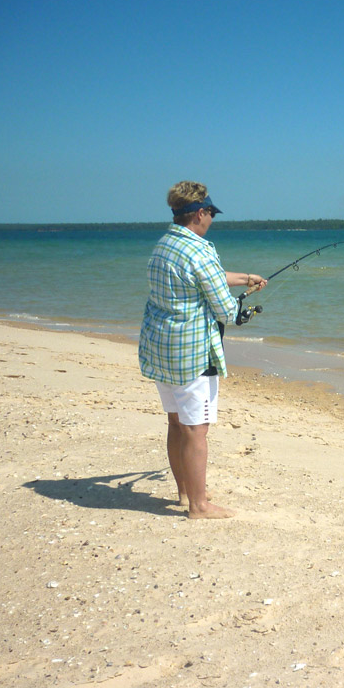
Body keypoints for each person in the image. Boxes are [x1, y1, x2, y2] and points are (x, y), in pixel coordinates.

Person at [138, 181, 267, 519]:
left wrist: (247, 278)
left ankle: (185, 492)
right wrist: (240, 310)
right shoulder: (200, 251)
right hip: (193, 352)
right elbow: (225, 310)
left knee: (176, 422)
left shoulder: (164, 245)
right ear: (199, 213)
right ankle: (199, 506)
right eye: (211, 213)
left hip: (162, 347)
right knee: (197, 430)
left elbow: (207, 277)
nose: (211, 219)